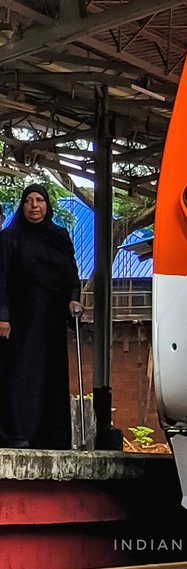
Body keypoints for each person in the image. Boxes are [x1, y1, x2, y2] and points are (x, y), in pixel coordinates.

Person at [0, 184, 83, 449]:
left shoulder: (59, 236)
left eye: (39, 200)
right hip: (20, 322)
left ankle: (52, 438)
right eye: (28, 200)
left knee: (51, 375)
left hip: (51, 321)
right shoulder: (9, 238)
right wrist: (3, 316)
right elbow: (0, 280)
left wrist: (73, 299)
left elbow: (72, 275)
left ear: (47, 206)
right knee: (20, 375)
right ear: (21, 206)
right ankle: (17, 435)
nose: (34, 206)